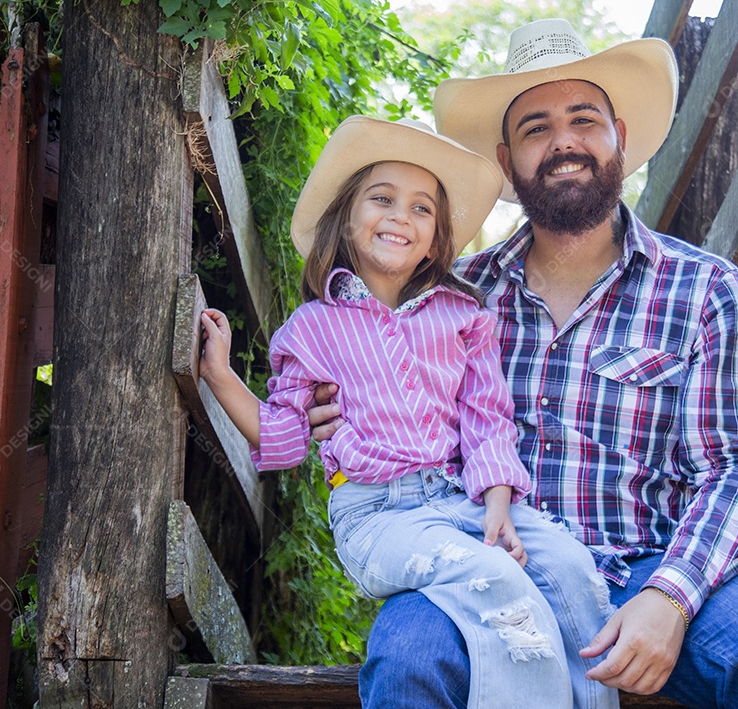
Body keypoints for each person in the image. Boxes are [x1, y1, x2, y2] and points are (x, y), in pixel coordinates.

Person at [308, 20, 738, 708]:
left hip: (649, 564)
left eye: (583, 119)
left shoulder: (703, 290)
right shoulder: (443, 298)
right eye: (537, 128)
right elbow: (370, 393)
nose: (563, 141)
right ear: (508, 162)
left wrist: (671, 595)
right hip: (487, 565)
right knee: (409, 655)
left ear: (618, 135)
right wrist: (336, 407)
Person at [198, 115, 620, 709]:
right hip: (379, 517)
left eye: (423, 209)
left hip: (465, 501)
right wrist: (219, 376)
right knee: (498, 582)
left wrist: (498, 505)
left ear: (436, 237)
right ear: (347, 217)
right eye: (383, 198)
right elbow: (285, 436)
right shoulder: (311, 330)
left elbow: (486, 417)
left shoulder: (461, 316)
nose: (402, 216)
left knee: (574, 571)